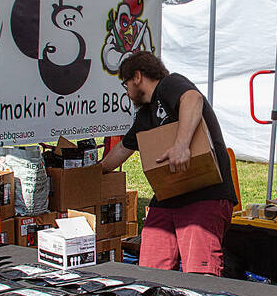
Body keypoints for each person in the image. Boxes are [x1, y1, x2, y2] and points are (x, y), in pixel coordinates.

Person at [100, 51, 237, 275]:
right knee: (150, 268)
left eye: (125, 84)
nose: (126, 92)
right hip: (169, 196)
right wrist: (92, 172)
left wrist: (181, 145)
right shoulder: (144, 116)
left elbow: (193, 98)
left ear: (137, 77)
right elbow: (123, 149)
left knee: (199, 273)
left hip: (206, 193)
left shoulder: (170, 84)